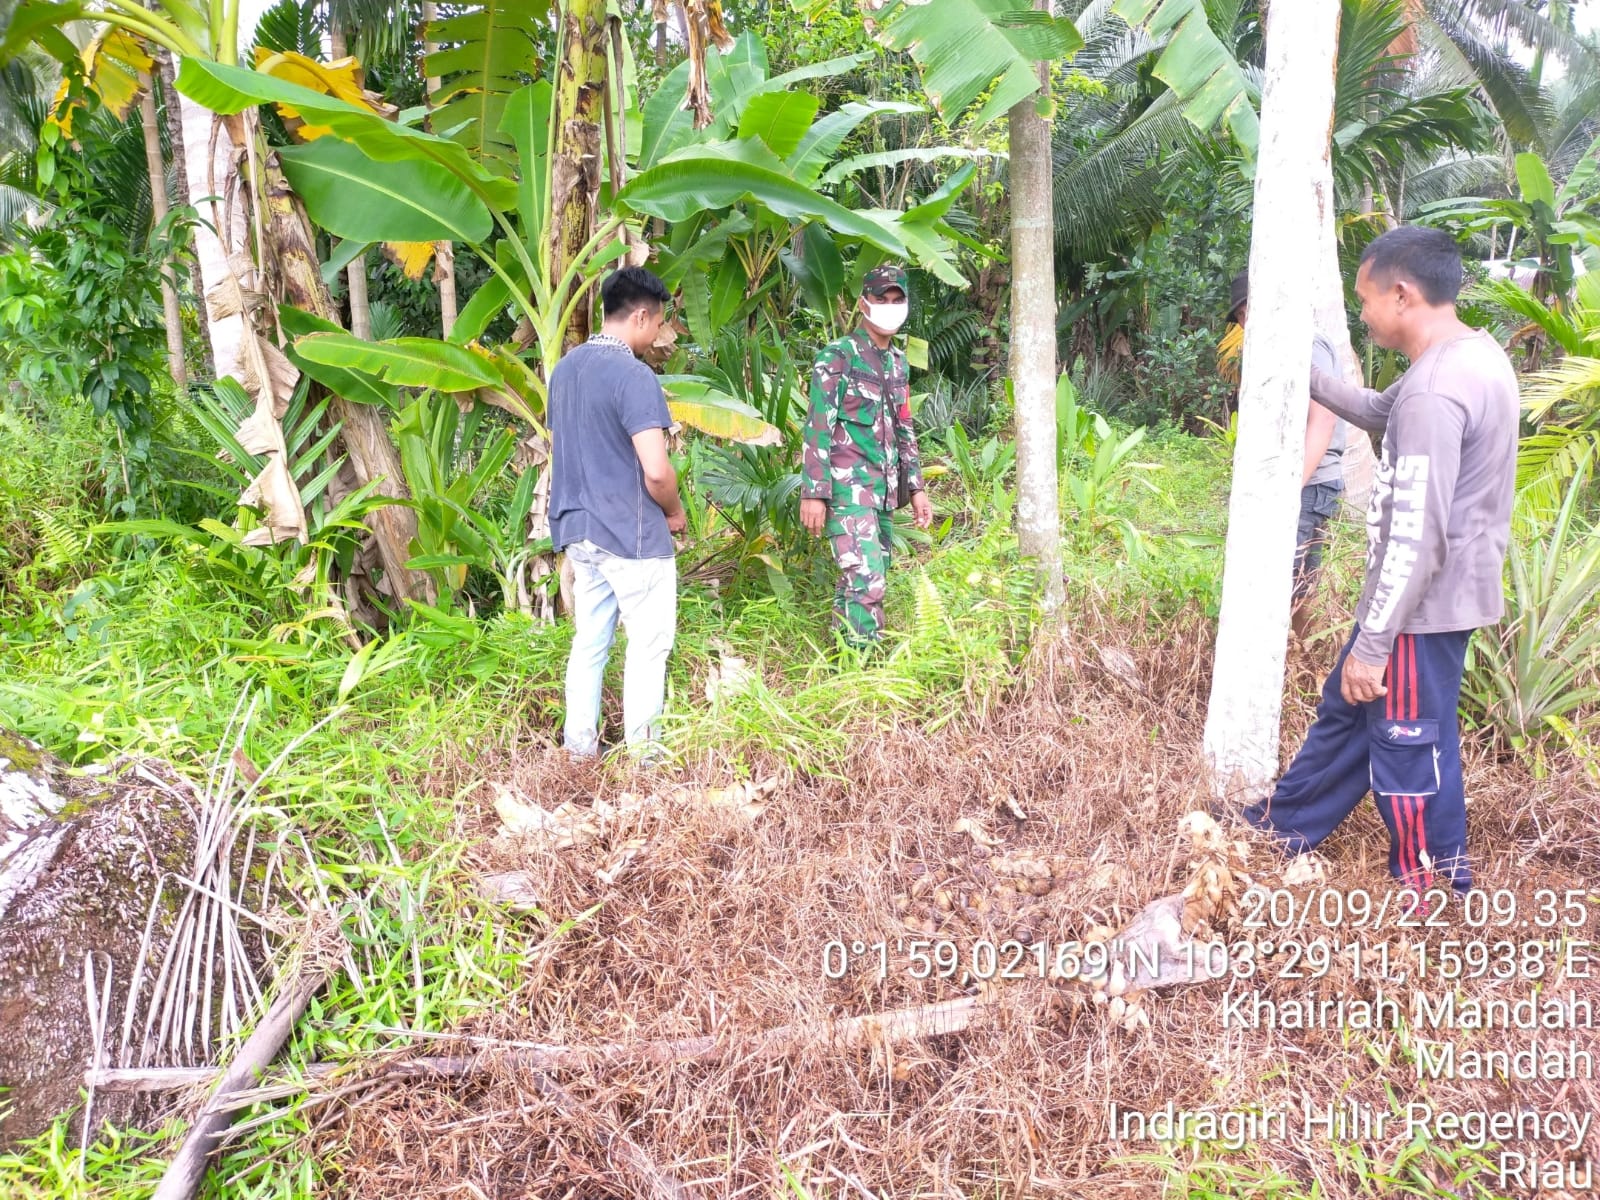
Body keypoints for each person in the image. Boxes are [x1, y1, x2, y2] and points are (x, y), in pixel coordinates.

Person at [1243, 227, 1518, 901]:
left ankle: (1433, 884)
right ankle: (1279, 829)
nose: (1361, 312)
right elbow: (1374, 411)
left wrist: (1374, 641)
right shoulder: (1465, 359)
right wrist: (1300, 373)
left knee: (1406, 739)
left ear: (1402, 294)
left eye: (1365, 298)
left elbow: (1416, 538)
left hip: (1420, 608)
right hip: (1429, 599)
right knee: (1346, 713)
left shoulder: (1435, 392)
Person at [549, 266, 685, 762]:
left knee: (590, 642)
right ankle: (645, 761)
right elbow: (656, 470)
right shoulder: (633, 375)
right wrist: (673, 511)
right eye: (659, 324)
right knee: (648, 648)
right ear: (642, 316)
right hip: (631, 535)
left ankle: (578, 752)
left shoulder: (564, 372)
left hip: (578, 531)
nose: (658, 336)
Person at [800, 265, 934, 646]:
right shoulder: (838, 357)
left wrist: (917, 487)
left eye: (897, 301)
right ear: (864, 303)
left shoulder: (897, 363)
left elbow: (904, 427)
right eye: (881, 300)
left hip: (884, 491)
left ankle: (843, 661)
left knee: (862, 579)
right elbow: (817, 426)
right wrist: (814, 492)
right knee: (867, 581)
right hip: (847, 492)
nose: (890, 307)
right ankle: (864, 668)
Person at [1227, 269, 1347, 639]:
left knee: (1284, 584)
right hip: (1296, 483)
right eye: (1241, 317)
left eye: (1249, 312)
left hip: (1308, 483)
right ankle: (1303, 660)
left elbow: (1322, 420)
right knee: (1297, 585)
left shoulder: (1306, 343)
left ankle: (1298, 662)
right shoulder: (1275, 348)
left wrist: (1289, 489)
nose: (1245, 323)